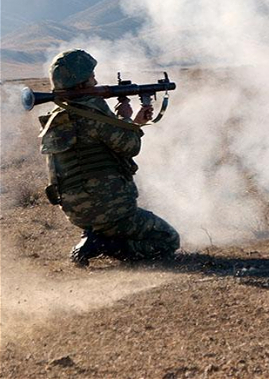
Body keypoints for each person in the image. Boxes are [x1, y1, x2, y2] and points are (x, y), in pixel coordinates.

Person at [38, 49, 180, 266]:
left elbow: (96, 147)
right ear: (81, 83)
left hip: (78, 213)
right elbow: (130, 147)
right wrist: (125, 118)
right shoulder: (93, 110)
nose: (96, 80)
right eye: (91, 77)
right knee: (168, 240)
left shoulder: (58, 116)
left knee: (114, 224)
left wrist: (131, 122)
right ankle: (104, 245)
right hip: (109, 210)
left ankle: (95, 236)